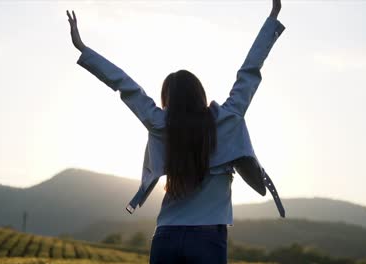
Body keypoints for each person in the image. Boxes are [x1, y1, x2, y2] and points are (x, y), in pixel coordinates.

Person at [67, 1, 285, 263]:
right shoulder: (227, 119)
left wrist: (84, 49)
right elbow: (249, 71)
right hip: (207, 240)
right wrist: (272, 18)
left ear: (168, 100)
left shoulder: (160, 125)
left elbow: (125, 85)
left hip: (166, 237)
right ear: (199, 94)